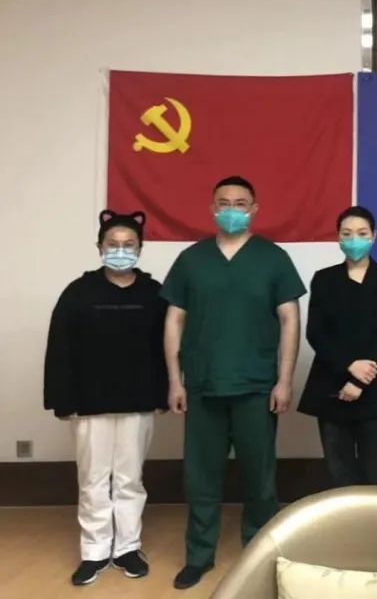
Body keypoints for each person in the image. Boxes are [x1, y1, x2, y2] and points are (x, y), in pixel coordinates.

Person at [162, 176, 306, 590]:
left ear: (254, 209)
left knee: (260, 478)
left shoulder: (273, 258)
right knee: (200, 478)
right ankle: (198, 556)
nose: (231, 209)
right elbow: (173, 320)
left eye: (240, 203)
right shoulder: (192, 260)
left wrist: (284, 380)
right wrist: (175, 380)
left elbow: (290, 319)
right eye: (224, 203)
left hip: (256, 386)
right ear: (212, 208)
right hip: (203, 385)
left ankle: (258, 554)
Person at [43, 210, 167, 586]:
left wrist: (167, 391)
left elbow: (167, 347)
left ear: (140, 248)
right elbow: (59, 347)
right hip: (89, 403)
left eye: (129, 244)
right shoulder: (78, 293)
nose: (120, 250)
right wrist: (61, 398)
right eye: (112, 244)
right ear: (99, 247)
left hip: (139, 401)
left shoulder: (154, 294)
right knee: (93, 478)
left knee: (130, 479)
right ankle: (94, 551)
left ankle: (127, 547)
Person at [298, 206, 377, 488]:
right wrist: (349, 365)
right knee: (339, 473)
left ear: (374, 236)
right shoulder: (324, 279)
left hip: (376, 389)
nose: (354, 239)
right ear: (339, 237)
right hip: (332, 388)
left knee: (375, 473)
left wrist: (359, 379)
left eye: (361, 233)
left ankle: (375, 520)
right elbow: (316, 333)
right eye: (347, 234)